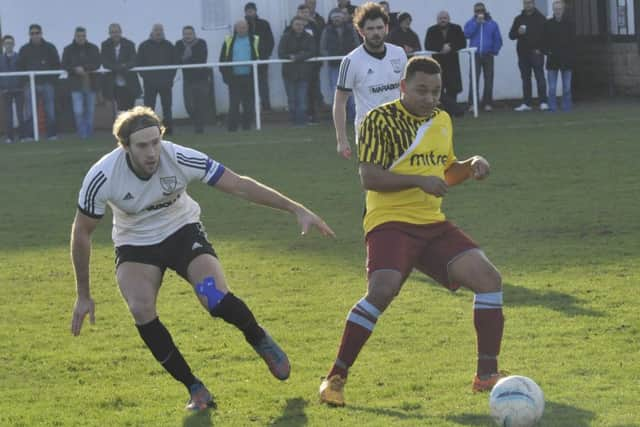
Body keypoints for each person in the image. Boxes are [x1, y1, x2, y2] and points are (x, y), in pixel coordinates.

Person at [70, 106, 335, 411]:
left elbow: (238, 185)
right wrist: (83, 294)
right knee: (140, 309)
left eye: (156, 142)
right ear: (125, 146)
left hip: (182, 232)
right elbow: (82, 233)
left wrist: (296, 208)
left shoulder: (179, 157)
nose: (152, 152)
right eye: (142, 146)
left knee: (214, 298)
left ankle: (258, 338)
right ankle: (195, 388)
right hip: (136, 245)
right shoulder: (102, 176)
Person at [318, 56, 504, 407]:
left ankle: (486, 375)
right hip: (390, 222)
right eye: (421, 90)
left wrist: (471, 166)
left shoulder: (442, 120)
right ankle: (335, 378)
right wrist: (420, 181)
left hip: (432, 224)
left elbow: (445, 173)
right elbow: (369, 177)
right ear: (403, 86)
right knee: (382, 291)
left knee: (489, 279)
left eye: (435, 91)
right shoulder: (380, 120)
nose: (429, 98)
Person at [333, 2, 407, 159]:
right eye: (371, 29)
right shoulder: (351, 61)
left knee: (404, 181)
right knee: (376, 182)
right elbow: (340, 102)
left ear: (386, 28)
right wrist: (342, 139)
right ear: (361, 31)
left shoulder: (399, 53)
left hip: (399, 131)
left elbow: (407, 91)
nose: (376, 33)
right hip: (369, 134)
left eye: (380, 28)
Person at [17, 24, 60, 140]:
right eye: (32, 33)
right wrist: (26, 81)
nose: (35, 35)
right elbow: (20, 67)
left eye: (37, 33)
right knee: (29, 112)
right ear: (29, 35)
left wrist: (51, 80)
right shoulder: (24, 49)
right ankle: (30, 136)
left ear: (41, 33)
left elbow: (57, 65)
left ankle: (52, 135)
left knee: (50, 110)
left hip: (47, 84)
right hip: (31, 84)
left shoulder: (50, 47)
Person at [219, 20, 259, 132]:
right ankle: (232, 129)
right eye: (240, 27)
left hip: (250, 78)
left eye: (244, 27)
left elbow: (261, 56)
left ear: (248, 28)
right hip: (234, 79)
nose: (242, 29)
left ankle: (247, 128)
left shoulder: (254, 40)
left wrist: (258, 75)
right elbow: (222, 60)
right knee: (234, 105)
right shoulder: (228, 41)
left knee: (249, 105)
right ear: (236, 28)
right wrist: (226, 77)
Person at [320, 8, 359, 122]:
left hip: (350, 65)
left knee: (352, 92)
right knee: (336, 91)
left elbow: (357, 45)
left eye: (339, 17)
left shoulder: (351, 29)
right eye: (334, 17)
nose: (337, 19)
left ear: (343, 18)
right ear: (331, 19)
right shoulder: (327, 30)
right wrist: (331, 55)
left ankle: (353, 117)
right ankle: (339, 118)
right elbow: (323, 48)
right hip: (334, 65)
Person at [137, 24, 177, 134]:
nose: (158, 32)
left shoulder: (169, 45)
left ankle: (168, 130)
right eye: (156, 30)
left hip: (166, 83)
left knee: (167, 108)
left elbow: (174, 63)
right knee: (149, 109)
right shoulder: (144, 46)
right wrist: (147, 78)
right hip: (149, 83)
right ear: (152, 32)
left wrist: (169, 78)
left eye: (160, 30)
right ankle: (148, 129)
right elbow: (140, 63)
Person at [425, 11, 467, 117]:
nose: (443, 20)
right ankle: (456, 109)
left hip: (452, 64)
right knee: (438, 90)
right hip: (437, 66)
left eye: (445, 18)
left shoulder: (456, 28)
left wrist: (451, 47)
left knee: (453, 89)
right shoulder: (431, 30)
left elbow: (463, 42)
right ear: (437, 20)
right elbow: (428, 44)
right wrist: (441, 47)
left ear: (449, 19)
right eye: (440, 18)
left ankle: (451, 112)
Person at [509, 0, 549, 112]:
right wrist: (518, 32)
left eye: (530, 3)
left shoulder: (541, 18)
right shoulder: (519, 19)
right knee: (525, 79)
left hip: (536, 53)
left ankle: (543, 102)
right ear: (523, 4)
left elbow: (547, 36)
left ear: (534, 4)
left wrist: (541, 50)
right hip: (523, 54)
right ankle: (527, 103)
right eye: (526, 3)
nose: (528, 5)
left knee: (540, 77)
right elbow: (511, 35)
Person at [62, 27, 101, 139]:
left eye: (83, 36)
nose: (81, 38)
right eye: (79, 36)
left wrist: (84, 68)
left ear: (86, 36)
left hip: (91, 84)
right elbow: (64, 64)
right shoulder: (68, 49)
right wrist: (75, 69)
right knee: (78, 111)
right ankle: (82, 135)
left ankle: (88, 135)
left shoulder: (93, 48)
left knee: (90, 112)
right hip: (75, 85)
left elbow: (97, 63)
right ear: (75, 36)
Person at [463, 2, 503, 112]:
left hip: (488, 55)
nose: (479, 12)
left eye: (481, 10)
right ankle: (473, 103)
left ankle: (487, 103)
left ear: (485, 11)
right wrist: (477, 23)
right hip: (474, 55)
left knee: (489, 79)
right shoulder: (470, 23)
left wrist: (494, 51)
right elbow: (466, 34)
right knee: (474, 80)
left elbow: (498, 39)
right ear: (474, 12)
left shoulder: (492, 24)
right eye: (477, 11)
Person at [278, 16, 316, 126]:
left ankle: (301, 123)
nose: (299, 27)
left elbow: (313, 51)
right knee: (292, 100)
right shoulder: (285, 37)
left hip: (304, 73)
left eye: (301, 24)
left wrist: (297, 57)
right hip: (289, 73)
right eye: (297, 24)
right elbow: (281, 53)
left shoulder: (309, 37)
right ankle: (293, 122)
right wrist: (293, 56)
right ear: (292, 25)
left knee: (302, 100)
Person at [176, 26, 209, 133]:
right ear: (183, 35)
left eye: (190, 33)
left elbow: (202, 59)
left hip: (201, 79)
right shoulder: (179, 44)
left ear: (194, 34)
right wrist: (186, 59)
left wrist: (185, 59)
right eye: (185, 34)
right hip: (188, 80)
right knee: (189, 105)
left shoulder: (202, 43)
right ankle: (197, 122)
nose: (188, 36)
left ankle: (199, 128)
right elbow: (176, 60)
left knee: (201, 104)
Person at [101, 24, 142, 113]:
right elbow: (105, 63)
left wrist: (122, 66)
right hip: (113, 84)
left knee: (130, 111)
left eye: (116, 32)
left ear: (121, 32)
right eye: (112, 32)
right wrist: (120, 67)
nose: (115, 34)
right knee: (117, 111)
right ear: (109, 33)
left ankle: (129, 126)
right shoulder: (105, 45)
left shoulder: (130, 44)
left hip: (129, 82)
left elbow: (134, 61)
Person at [543, 0, 575, 112]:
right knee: (552, 88)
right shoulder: (548, 24)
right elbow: (543, 41)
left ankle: (567, 107)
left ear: (563, 10)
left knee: (567, 88)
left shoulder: (570, 24)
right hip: (552, 59)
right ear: (553, 10)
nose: (557, 11)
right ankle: (552, 107)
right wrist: (546, 51)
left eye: (559, 9)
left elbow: (573, 41)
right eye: (556, 9)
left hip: (566, 59)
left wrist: (571, 55)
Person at [244, 2, 275, 111]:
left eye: (251, 10)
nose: (250, 12)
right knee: (248, 85)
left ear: (255, 11)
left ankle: (266, 107)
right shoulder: (241, 25)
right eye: (248, 11)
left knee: (263, 83)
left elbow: (270, 41)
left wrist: (265, 56)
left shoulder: (264, 24)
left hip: (262, 60)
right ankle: (251, 108)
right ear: (245, 12)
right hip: (247, 61)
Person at [296, 4, 324, 123]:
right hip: (300, 65)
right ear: (298, 13)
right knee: (302, 91)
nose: (304, 15)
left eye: (306, 12)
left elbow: (320, 42)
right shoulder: (293, 25)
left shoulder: (315, 26)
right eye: (302, 12)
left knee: (314, 90)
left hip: (313, 64)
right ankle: (303, 116)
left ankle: (314, 115)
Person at [0, 35, 26, 143]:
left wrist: (22, 85)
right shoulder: (0, 59)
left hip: (19, 90)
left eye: (10, 43)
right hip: (6, 90)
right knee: (8, 115)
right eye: (6, 43)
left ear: (14, 44)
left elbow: (24, 73)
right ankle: (9, 137)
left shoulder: (20, 57)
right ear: (3, 45)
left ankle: (22, 137)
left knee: (21, 114)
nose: (8, 45)